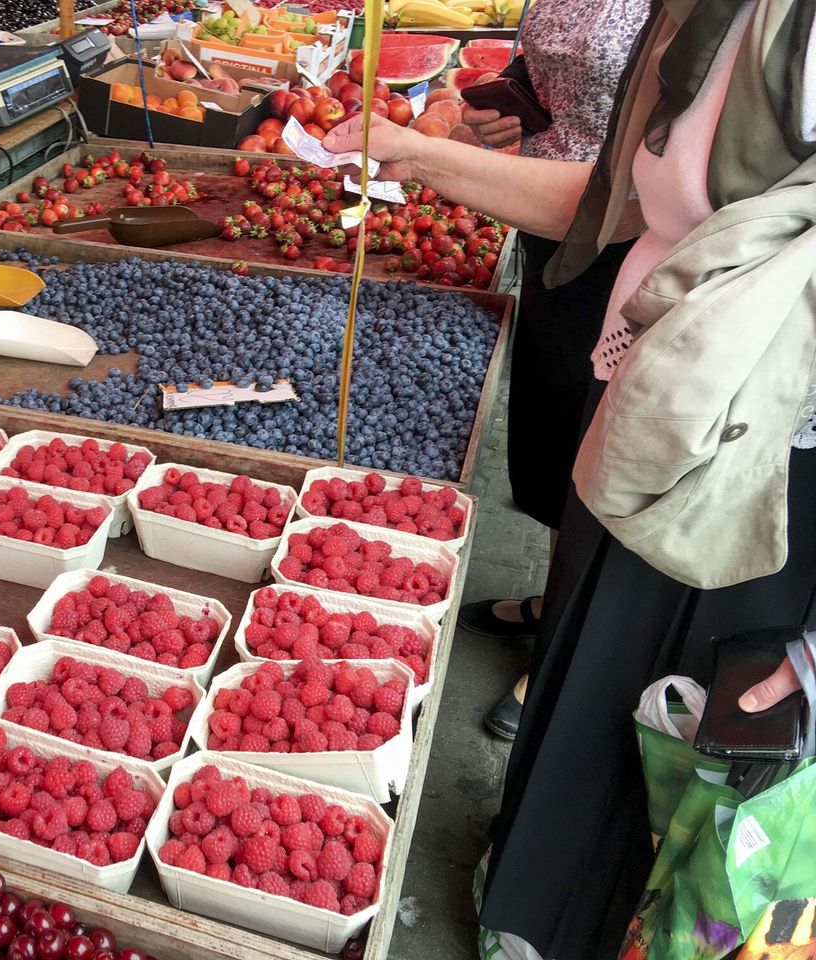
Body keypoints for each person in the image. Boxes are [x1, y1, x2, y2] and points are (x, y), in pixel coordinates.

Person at [325, 0, 816, 955]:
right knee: (594, 690)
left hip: (757, 474)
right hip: (647, 416)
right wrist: (415, 153)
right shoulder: (706, 16)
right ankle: (532, 907)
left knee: (681, 751)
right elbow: (618, 203)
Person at [449, 0, 650, 740]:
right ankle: (553, 594)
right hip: (546, 220)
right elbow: (553, 63)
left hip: (632, 241)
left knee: (609, 447)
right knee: (554, 418)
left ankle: (567, 650)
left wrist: (428, 156)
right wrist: (512, 99)